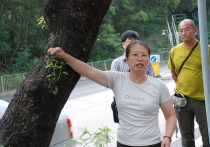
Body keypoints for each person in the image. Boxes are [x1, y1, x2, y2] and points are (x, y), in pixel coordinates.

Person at [48, 40, 176, 147]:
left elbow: (170, 115)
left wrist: (167, 137)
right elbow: (89, 71)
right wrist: (65, 56)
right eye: (135, 55)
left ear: (149, 59)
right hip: (124, 143)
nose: (140, 59)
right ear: (126, 59)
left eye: (144, 55)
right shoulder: (117, 79)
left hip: (152, 143)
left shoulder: (159, 86)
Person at [168, 19, 210, 147]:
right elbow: (174, 73)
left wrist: (203, 88)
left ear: (195, 30)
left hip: (202, 100)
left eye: (187, 29)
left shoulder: (207, 49)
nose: (183, 33)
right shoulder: (174, 51)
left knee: (208, 135)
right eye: (180, 30)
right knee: (186, 137)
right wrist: (183, 87)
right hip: (182, 101)